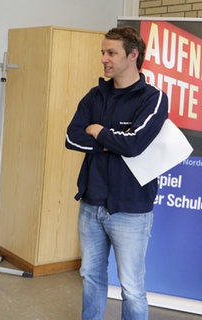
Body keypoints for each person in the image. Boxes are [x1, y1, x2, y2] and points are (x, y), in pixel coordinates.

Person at [65, 26, 168, 320]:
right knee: (92, 279)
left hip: (131, 211)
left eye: (111, 53)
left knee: (132, 288)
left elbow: (135, 144)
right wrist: (114, 139)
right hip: (91, 205)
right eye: (103, 52)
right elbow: (72, 138)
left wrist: (97, 131)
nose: (104, 59)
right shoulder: (94, 96)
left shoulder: (153, 99)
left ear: (132, 55)